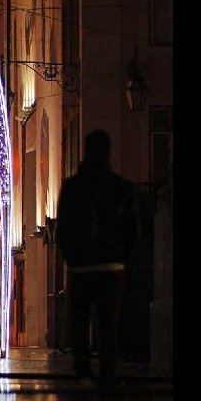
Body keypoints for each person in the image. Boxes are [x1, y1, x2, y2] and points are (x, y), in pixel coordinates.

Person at [56, 129, 137, 385]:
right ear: (108, 153)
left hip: (81, 267)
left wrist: (71, 257)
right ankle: (107, 372)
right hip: (111, 266)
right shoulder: (122, 187)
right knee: (108, 323)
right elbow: (131, 228)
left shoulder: (71, 187)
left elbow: (64, 227)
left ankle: (82, 372)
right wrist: (123, 256)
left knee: (79, 322)